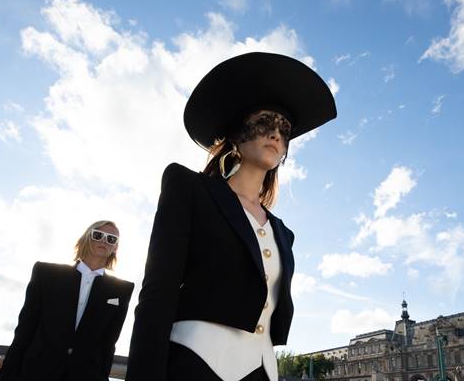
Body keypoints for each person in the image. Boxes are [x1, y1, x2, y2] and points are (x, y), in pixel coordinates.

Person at [125, 52, 337, 381]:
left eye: (285, 129)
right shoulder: (189, 188)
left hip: (262, 369)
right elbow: (158, 292)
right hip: (194, 362)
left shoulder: (283, 233)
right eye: (265, 123)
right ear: (237, 135)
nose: (276, 134)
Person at [0, 220, 134, 381]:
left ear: (115, 247)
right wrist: (7, 374)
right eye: (98, 235)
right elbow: (25, 329)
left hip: (86, 375)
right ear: (86, 238)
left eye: (111, 239)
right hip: (36, 372)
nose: (104, 240)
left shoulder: (122, 290)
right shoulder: (45, 274)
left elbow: (109, 343)